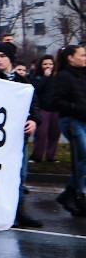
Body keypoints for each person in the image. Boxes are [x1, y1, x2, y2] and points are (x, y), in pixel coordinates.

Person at [0, 42, 43, 228]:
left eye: (2, 56)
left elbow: (34, 105)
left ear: (11, 58)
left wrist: (34, 120)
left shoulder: (23, 82)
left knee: (20, 174)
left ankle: (19, 211)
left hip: (18, 138)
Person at [46, 44, 86, 217]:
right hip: (71, 121)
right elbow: (55, 101)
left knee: (81, 159)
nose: (85, 58)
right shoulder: (63, 76)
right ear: (70, 58)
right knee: (84, 157)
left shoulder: (82, 74)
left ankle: (76, 195)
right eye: (82, 55)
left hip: (83, 120)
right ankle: (71, 193)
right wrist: (75, 107)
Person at [29, 54, 60, 163]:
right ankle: (36, 156)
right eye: (45, 64)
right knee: (41, 133)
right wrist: (45, 77)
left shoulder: (57, 77)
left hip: (55, 109)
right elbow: (35, 89)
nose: (48, 66)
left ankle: (51, 156)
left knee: (54, 133)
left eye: (50, 64)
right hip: (42, 108)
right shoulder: (36, 76)